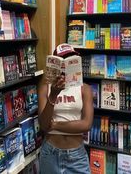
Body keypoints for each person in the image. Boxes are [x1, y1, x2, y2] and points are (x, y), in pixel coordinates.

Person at [38, 43, 94, 174]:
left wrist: (55, 125)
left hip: (76, 156)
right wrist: (53, 95)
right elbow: (44, 125)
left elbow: (86, 124)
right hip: (50, 154)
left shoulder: (85, 89)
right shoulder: (45, 88)